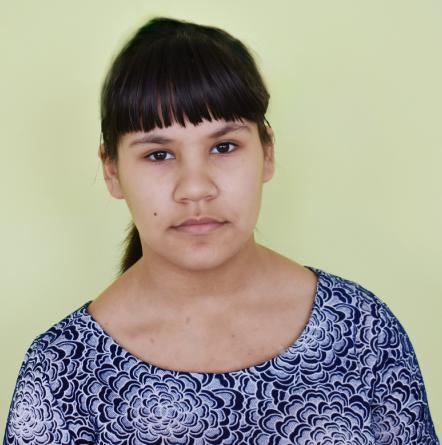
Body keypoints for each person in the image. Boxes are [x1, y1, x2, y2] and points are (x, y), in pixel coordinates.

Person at [3, 16, 439, 445]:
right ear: (111, 170)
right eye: (158, 155)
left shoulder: (362, 332)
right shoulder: (59, 374)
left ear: (267, 152)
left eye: (224, 146)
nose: (196, 188)